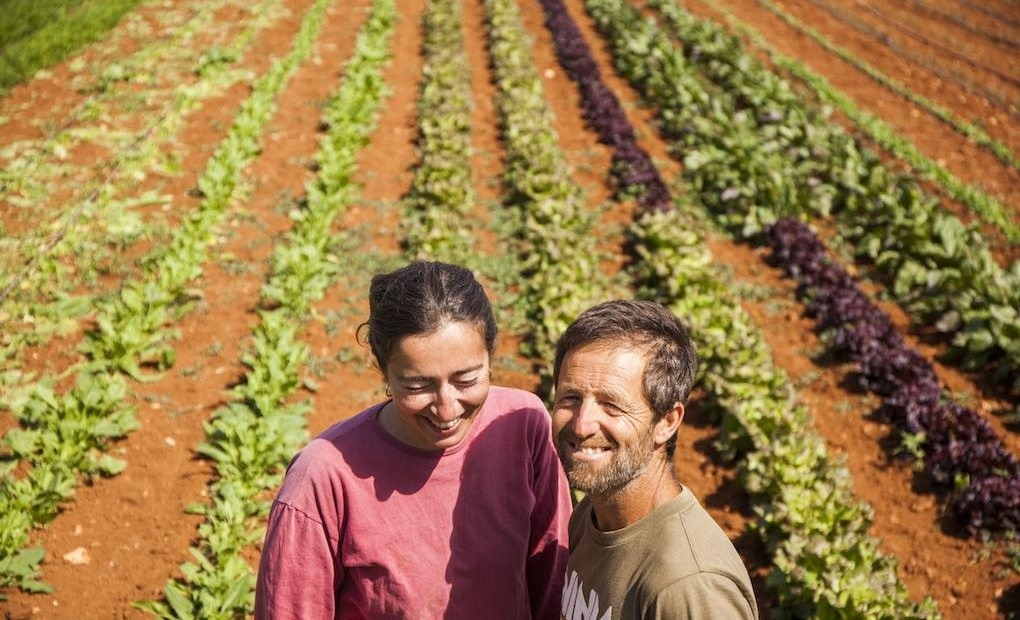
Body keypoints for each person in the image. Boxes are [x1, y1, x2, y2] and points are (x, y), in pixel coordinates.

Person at [254, 260, 572, 619]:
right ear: (384, 370)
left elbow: (554, 578)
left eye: (467, 379)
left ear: (490, 356)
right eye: (417, 386)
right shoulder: (323, 477)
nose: (446, 407)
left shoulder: (522, 425)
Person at [551, 299, 758, 620]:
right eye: (571, 398)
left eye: (612, 405)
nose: (581, 424)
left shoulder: (688, 587)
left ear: (667, 421)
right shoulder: (592, 514)